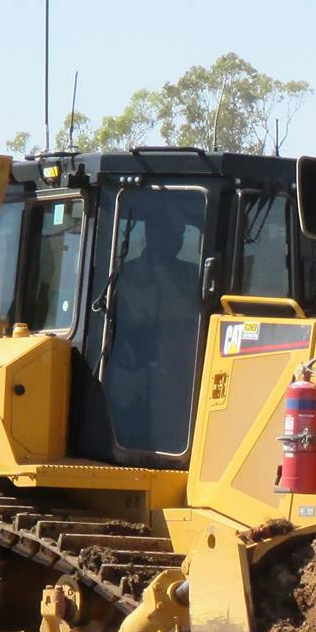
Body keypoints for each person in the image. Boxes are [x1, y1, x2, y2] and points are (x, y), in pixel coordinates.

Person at [106, 194, 201, 454]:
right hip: (134, 374)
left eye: (181, 233)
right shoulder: (126, 276)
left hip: (182, 377)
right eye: (172, 231)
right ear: (152, 232)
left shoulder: (194, 277)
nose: (178, 239)